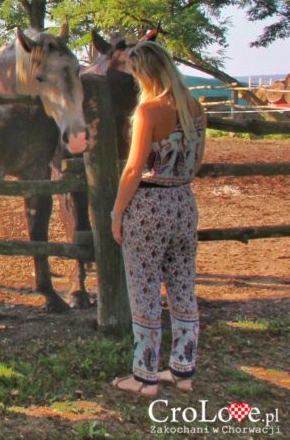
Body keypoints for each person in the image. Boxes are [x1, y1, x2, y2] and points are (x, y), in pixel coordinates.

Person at [109, 40, 206, 397]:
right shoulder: (195, 108)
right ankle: (183, 369)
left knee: (144, 287)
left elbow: (134, 168)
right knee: (183, 285)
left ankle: (144, 376)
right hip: (184, 201)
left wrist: (118, 212)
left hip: (150, 207)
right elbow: (196, 163)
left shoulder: (148, 110)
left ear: (144, 74)